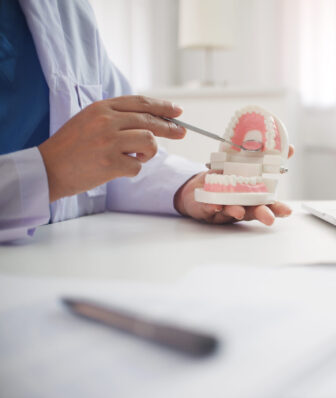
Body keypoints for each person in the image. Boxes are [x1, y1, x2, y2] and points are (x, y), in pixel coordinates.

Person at [0, 0, 293, 243]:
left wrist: (188, 190)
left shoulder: (69, 9)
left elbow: (115, 156)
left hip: (77, 255)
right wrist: (49, 172)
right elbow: (71, 166)